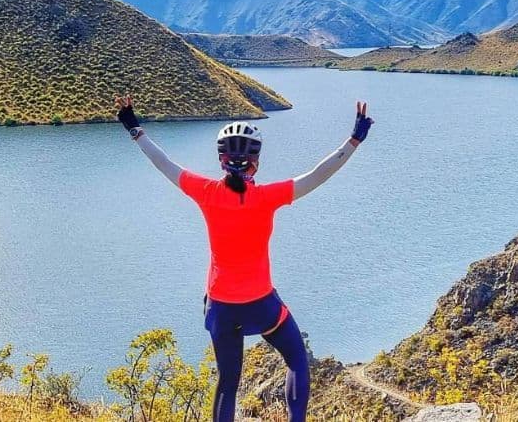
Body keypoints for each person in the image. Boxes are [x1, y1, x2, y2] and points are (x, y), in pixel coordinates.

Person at [114, 95, 374, 422]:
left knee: (227, 383)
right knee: (295, 360)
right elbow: (320, 174)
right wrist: (354, 139)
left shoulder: (205, 191)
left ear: (222, 160)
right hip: (261, 304)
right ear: (256, 162)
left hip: (221, 306)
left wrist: (133, 126)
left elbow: (163, 162)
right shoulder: (268, 197)